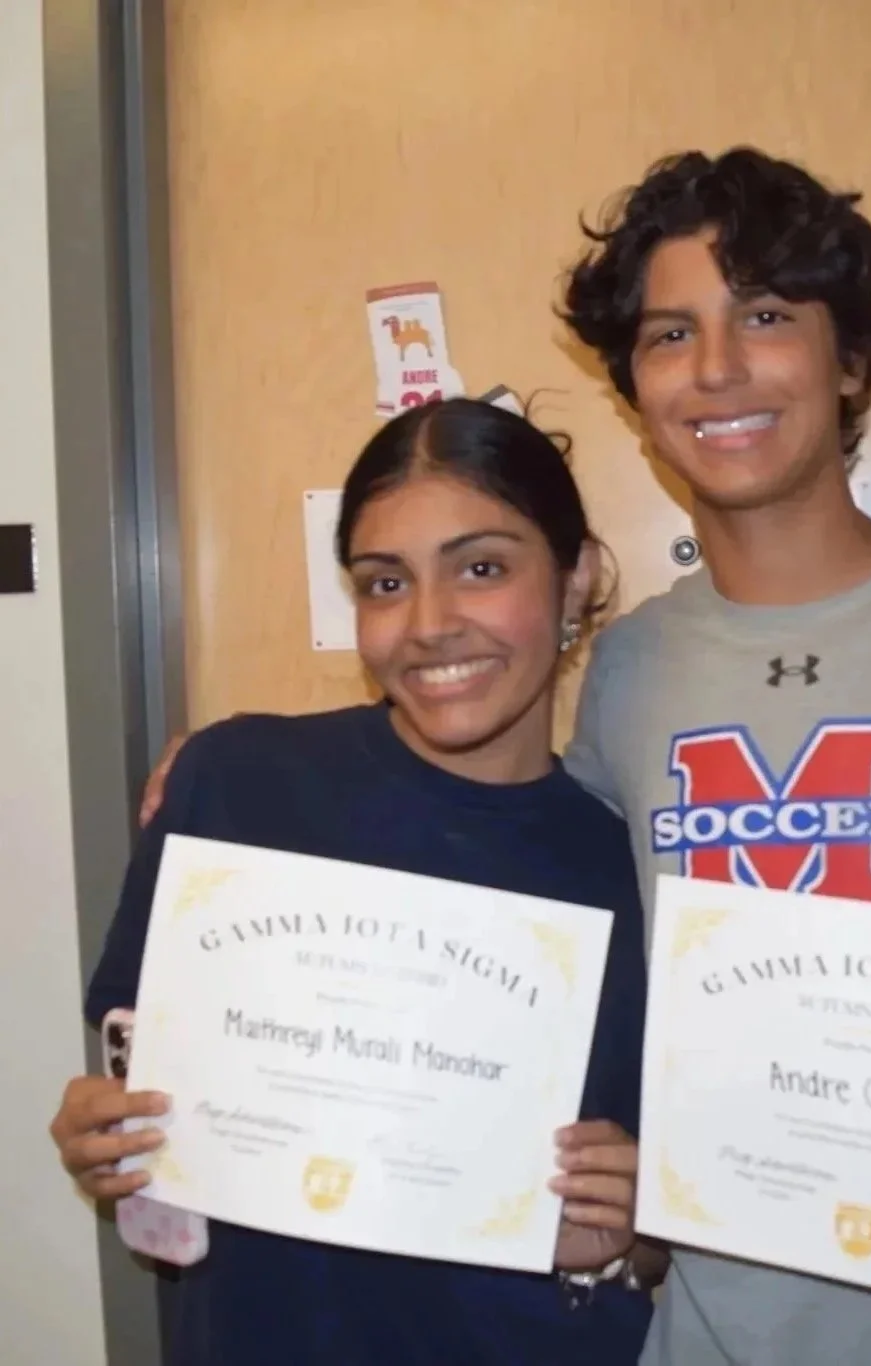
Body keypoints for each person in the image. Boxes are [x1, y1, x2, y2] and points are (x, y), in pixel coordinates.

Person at [141, 148, 871, 1366]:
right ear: (635, 390)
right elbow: (488, 843)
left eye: (767, 317)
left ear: (849, 364)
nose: (718, 368)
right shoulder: (624, 672)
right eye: (671, 333)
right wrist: (247, 761)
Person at [50, 398, 661, 1366]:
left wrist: (637, 1237)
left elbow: (669, 1217)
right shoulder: (234, 784)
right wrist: (106, 1137)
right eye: (384, 582)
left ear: (577, 575)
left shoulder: (639, 864)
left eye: (483, 568)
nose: (428, 624)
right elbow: (147, 1091)